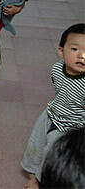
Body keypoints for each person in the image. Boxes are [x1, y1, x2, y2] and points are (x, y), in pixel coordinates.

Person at [21, 23, 85, 189]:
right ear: (61, 51)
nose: (82, 55)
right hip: (50, 113)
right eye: (75, 49)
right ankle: (32, 170)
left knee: (52, 151)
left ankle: (40, 180)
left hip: (72, 125)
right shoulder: (56, 69)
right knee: (37, 142)